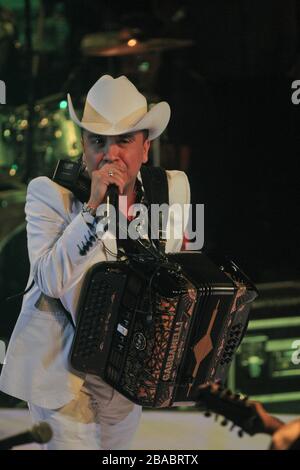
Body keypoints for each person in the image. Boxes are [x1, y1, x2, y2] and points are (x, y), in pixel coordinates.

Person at [0, 75, 190, 450]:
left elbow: (173, 280)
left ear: (145, 147)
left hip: (124, 374)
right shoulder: (49, 195)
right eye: (97, 141)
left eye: (124, 140)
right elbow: (51, 280)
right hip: (62, 370)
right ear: (83, 145)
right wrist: (94, 209)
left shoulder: (172, 190)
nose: (110, 153)